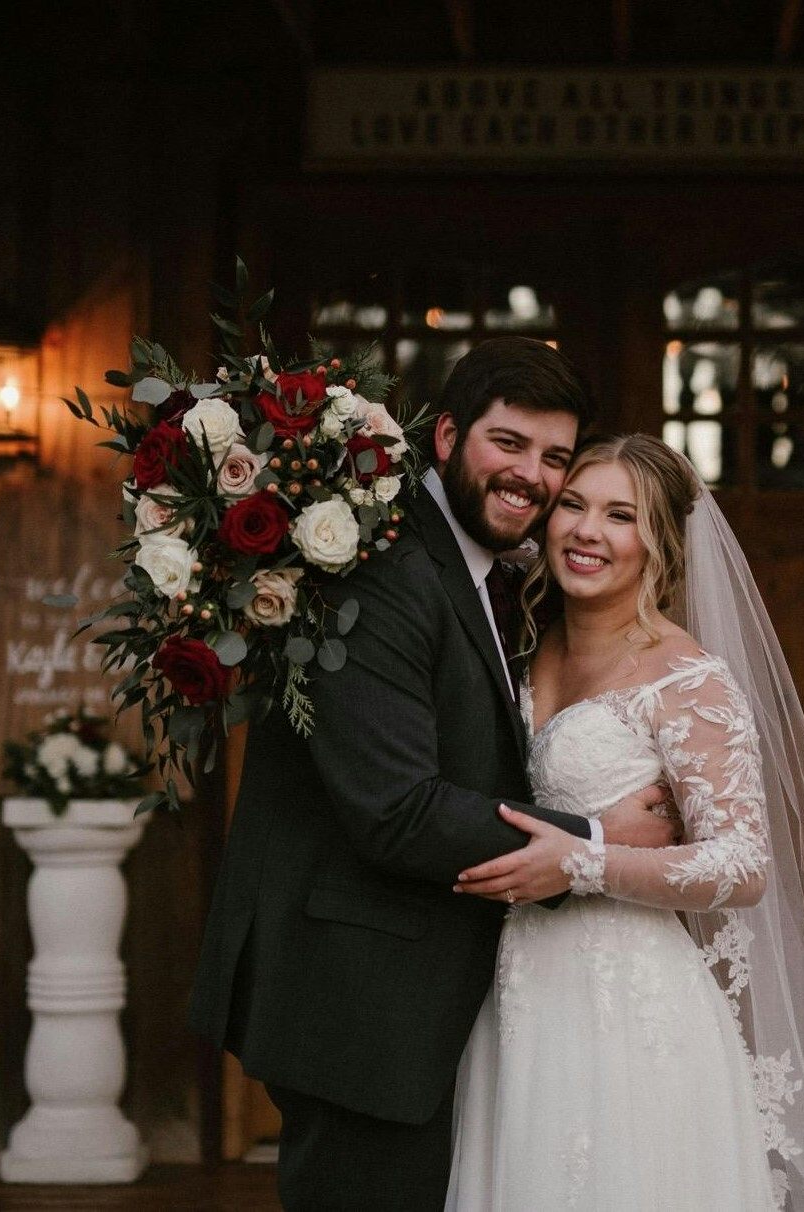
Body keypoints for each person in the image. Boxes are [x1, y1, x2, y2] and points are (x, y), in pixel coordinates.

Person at [187, 338, 678, 1210]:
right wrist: (599, 841)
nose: (531, 476)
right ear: (447, 437)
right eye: (508, 443)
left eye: (554, 457)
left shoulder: (491, 574)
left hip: (426, 990)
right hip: (358, 994)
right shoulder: (381, 569)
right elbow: (397, 811)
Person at [446, 434, 804, 1211]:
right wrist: (600, 829)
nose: (586, 531)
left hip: (629, 1007)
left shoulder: (685, 679)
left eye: (620, 516)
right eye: (572, 505)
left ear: (660, 544)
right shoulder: (522, 642)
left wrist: (583, 861)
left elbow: (742, 865)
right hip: (515, 988)